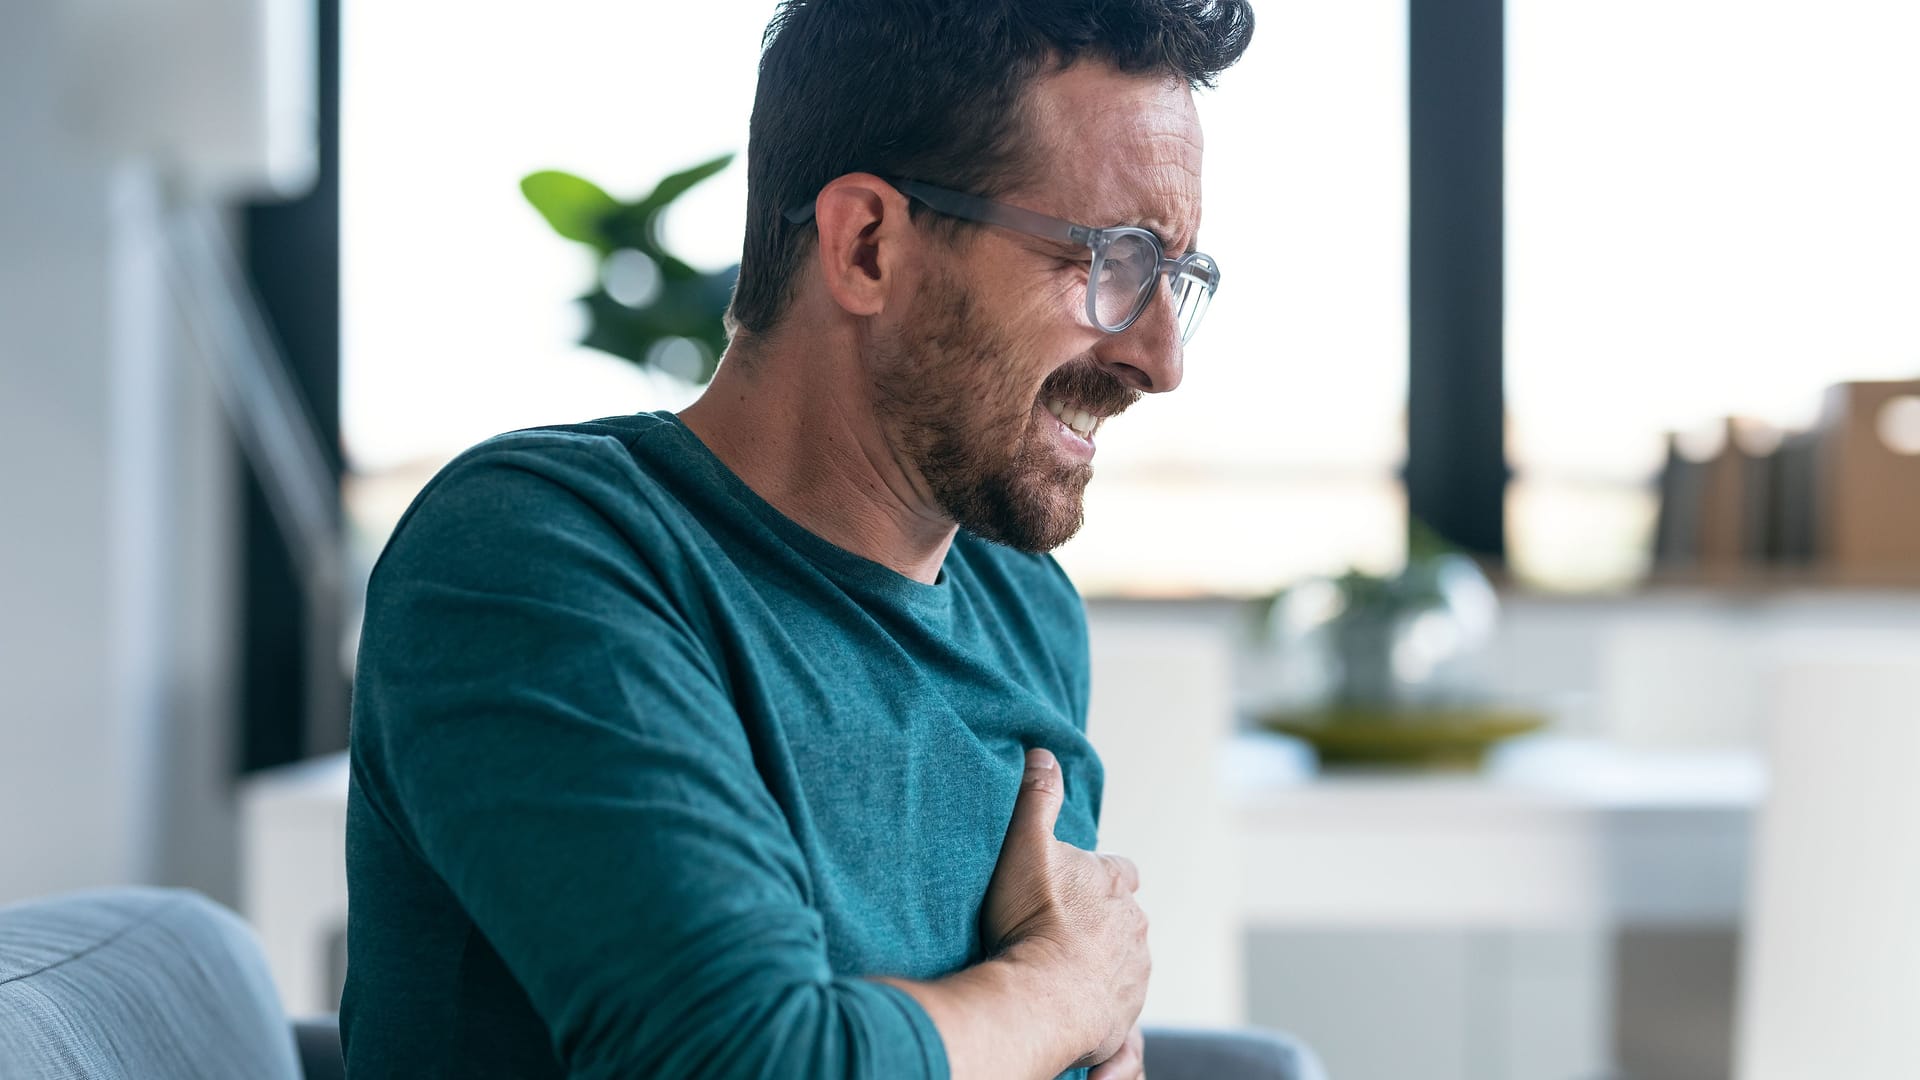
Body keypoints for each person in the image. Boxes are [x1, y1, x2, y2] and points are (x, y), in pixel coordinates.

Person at [341, 1, 1252, 1077]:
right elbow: (748, 1062)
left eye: (1174, 280)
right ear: (866, 243)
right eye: (1115, 258)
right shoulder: (535, 560)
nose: (1159, 358)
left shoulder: (1023, 604)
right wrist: (1064, 992)